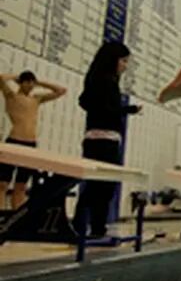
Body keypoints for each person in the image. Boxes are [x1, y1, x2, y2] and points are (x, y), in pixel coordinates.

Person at [75, 43, 141, 238]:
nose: (125, 66)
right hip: (105, 139)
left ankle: (83, 226)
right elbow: (108, 109)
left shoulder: (94, 78)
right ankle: (96, 229)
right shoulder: (107, 81)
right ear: (113, 60)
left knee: (95, 186)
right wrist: (129, 110)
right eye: (123, 61)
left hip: (93, 137)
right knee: (104, 187)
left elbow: (84, 101)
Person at [0, 70, 66, 209]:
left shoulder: (36, 99)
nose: (31, 86)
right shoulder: (11, 96)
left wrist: (39, 82)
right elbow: (2, 78)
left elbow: (61, 91)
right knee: (2, 183)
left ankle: (16, 217)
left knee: (21, 185)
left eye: (32, 83)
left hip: (30, 144)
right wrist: (17, 77)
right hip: (14, 141)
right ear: (21, 83)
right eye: (28, 82)